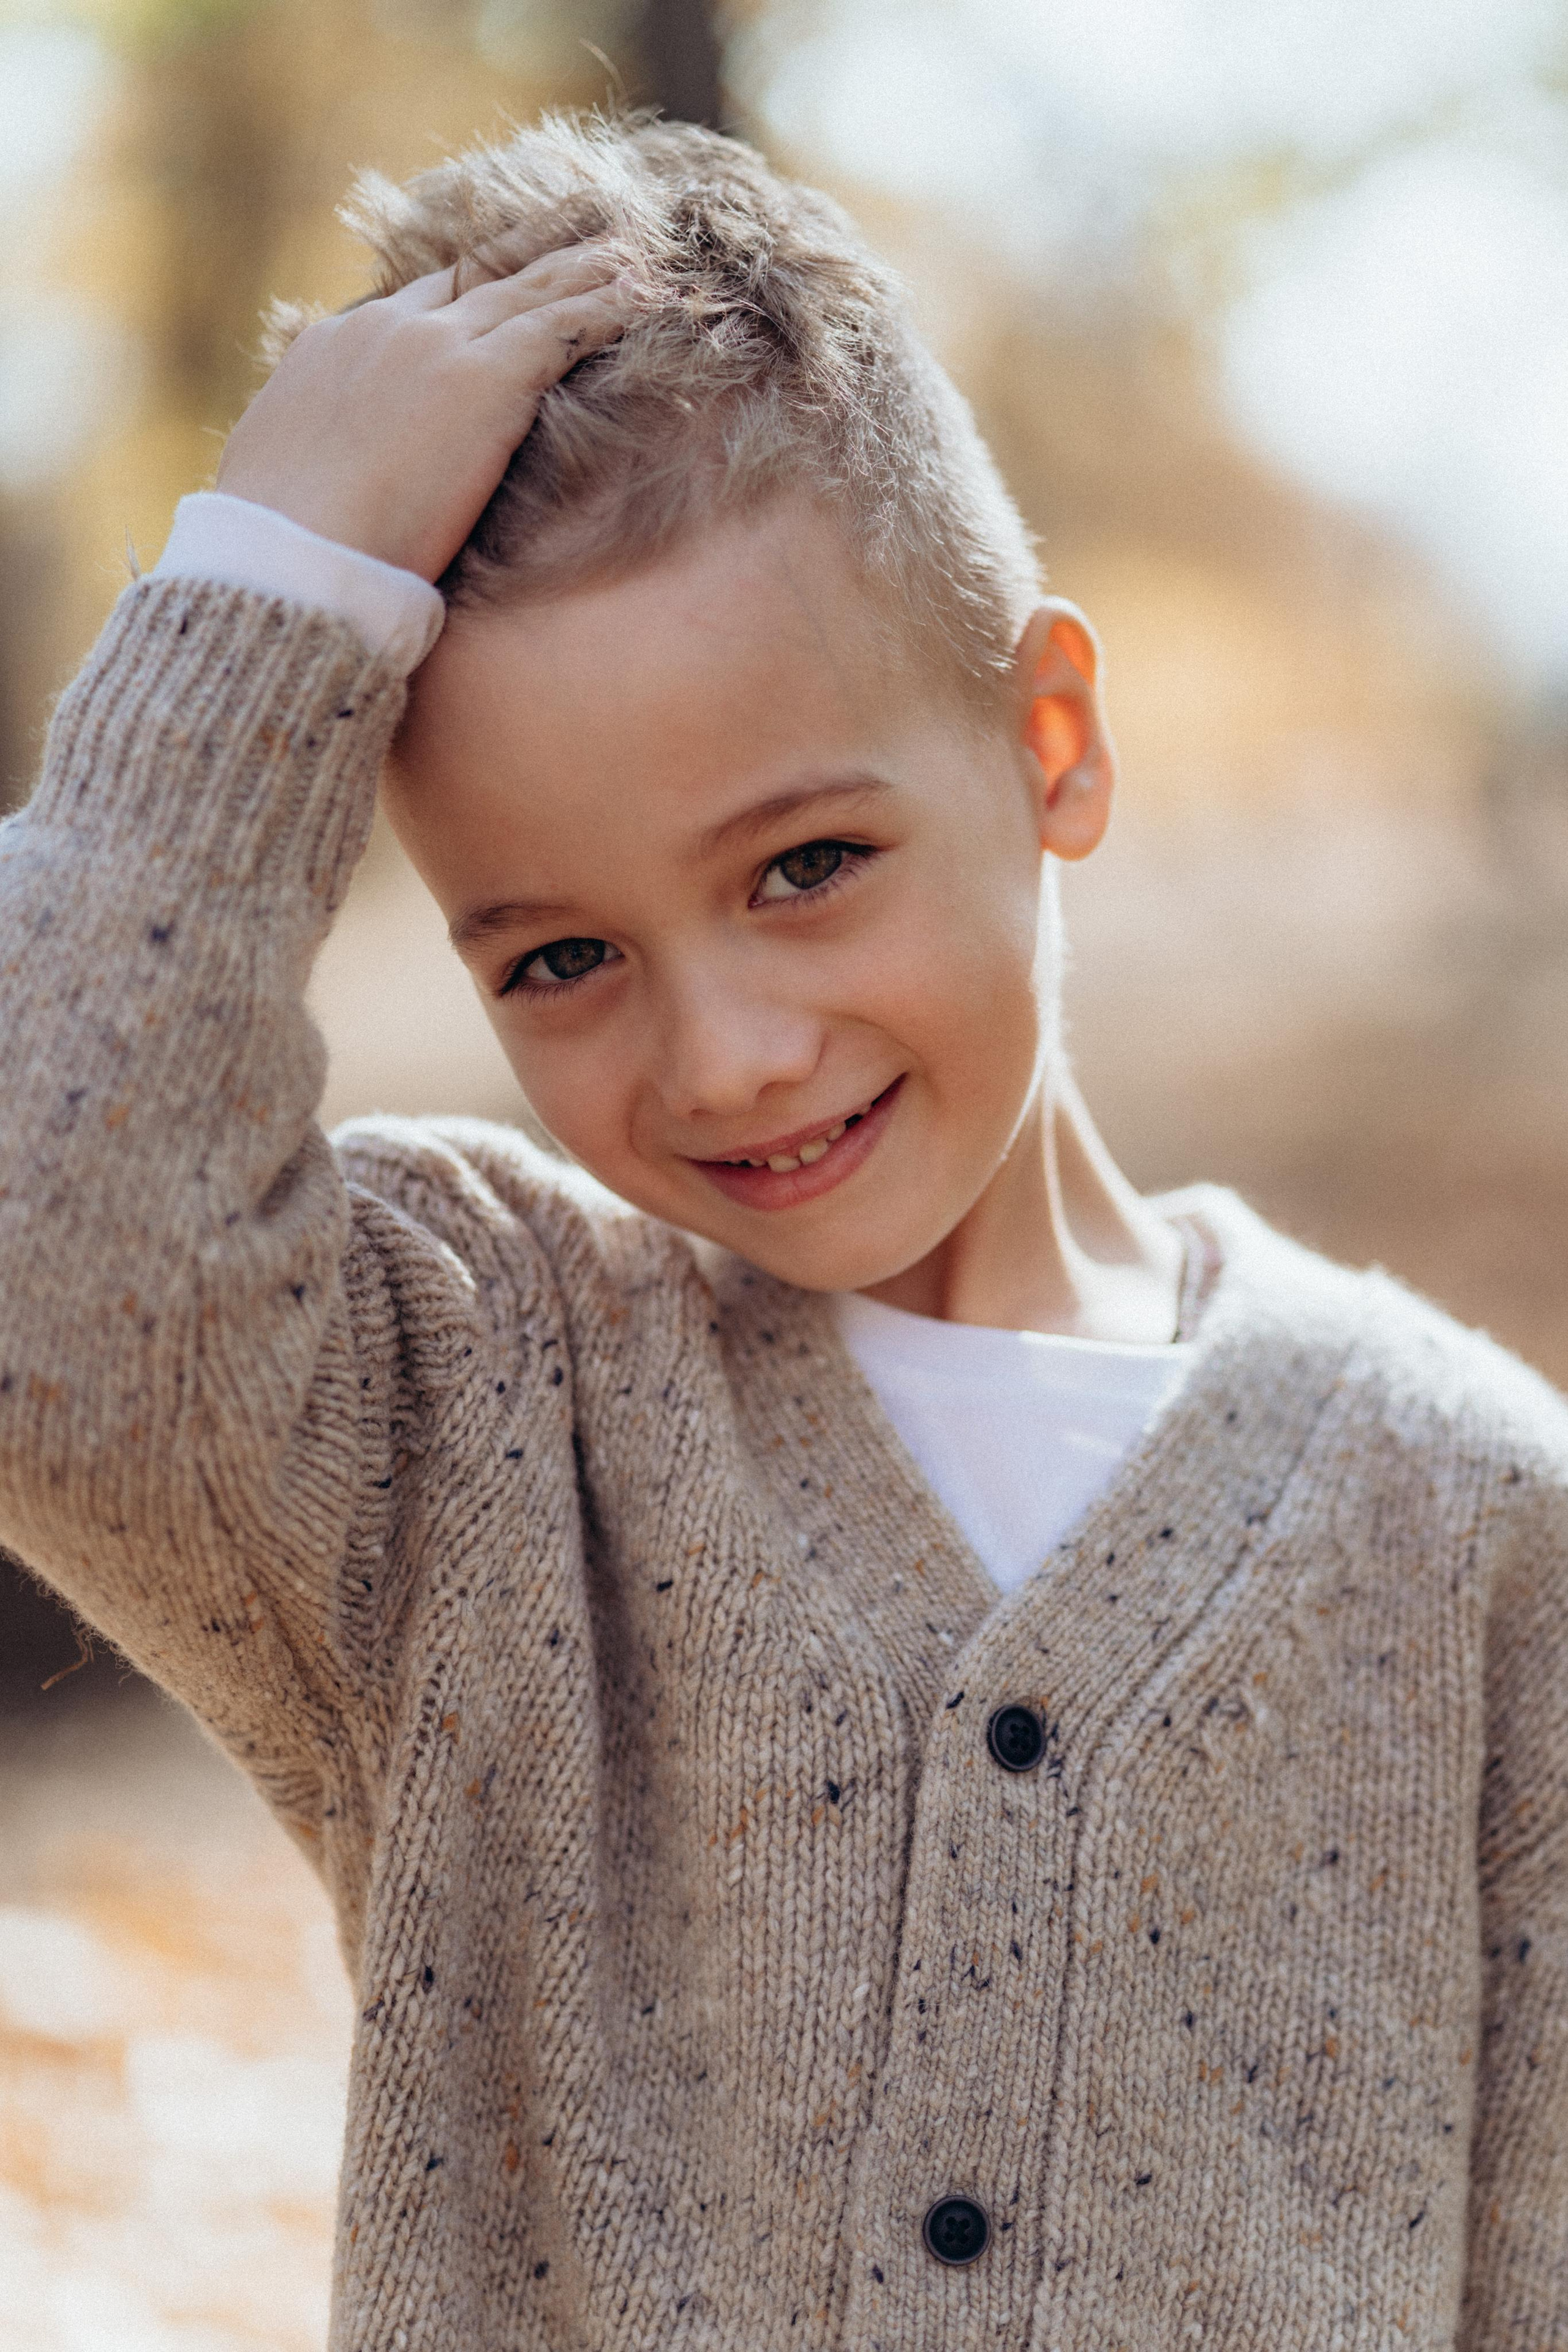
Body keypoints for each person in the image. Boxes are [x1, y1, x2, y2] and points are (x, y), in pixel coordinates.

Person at [0, 112, 1564, 2352]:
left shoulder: (1480, 1521)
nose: (723, 1057)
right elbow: (49, 1267)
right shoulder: (471, 1412)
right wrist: (272, 575)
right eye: (554, 959)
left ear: (1051, 742)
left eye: (805, 865)